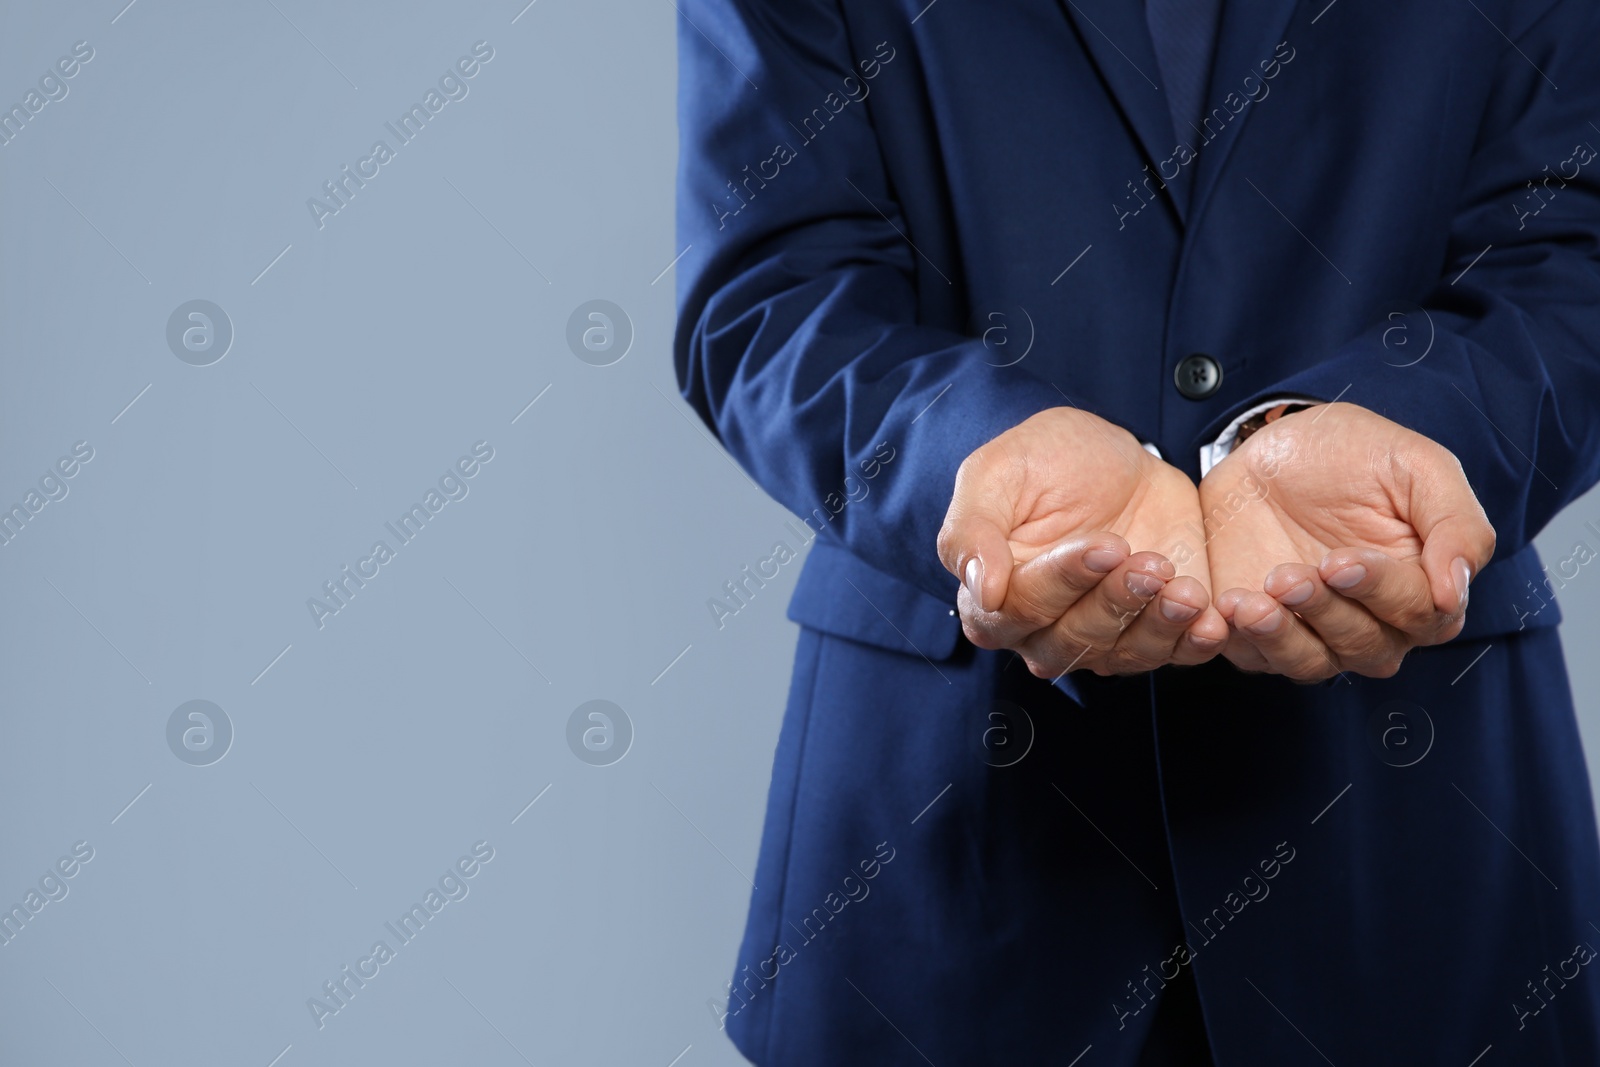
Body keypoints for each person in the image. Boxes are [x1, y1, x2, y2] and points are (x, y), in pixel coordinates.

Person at [672, 0, 1600, 1061]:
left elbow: (1574, 252)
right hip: (943, 844)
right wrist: (975, 456)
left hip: (1414, 845)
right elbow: (771, 284)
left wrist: (1399, 437)